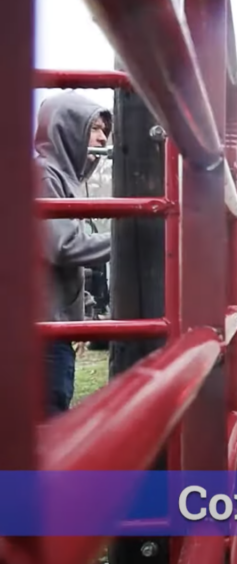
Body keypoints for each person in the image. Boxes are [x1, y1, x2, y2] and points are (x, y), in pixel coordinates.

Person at [35, 92, 113, 416]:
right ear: (65, 128)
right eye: (93, 127)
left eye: (105, 132)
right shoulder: (43, 175)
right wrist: (131, 235)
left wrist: (78, 321)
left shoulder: (65, 179)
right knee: (46, 429)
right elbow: (63, 245)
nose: (101, 138)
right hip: (39, 339)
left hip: (54, 332)